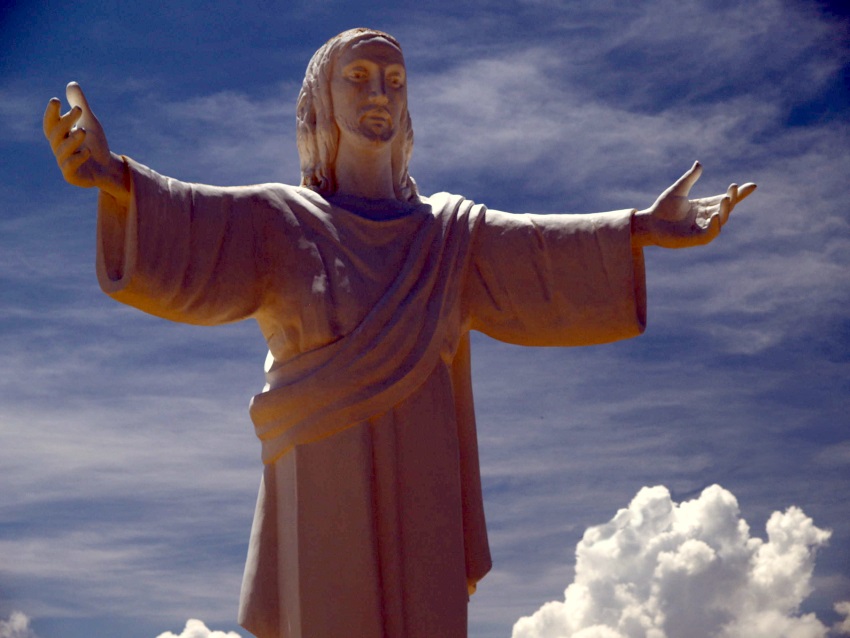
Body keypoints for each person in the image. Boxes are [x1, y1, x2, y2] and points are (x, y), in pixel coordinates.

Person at [43, 27, 755, 638]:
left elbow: (542, 252)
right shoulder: (278, 222)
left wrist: (639, 229)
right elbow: (192, 222)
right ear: (323, 102)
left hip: (426, 484)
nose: (378, 92)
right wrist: (115, 179)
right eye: (357, 78)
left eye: (393, 79)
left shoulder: (449, 235)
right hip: (322, 482)